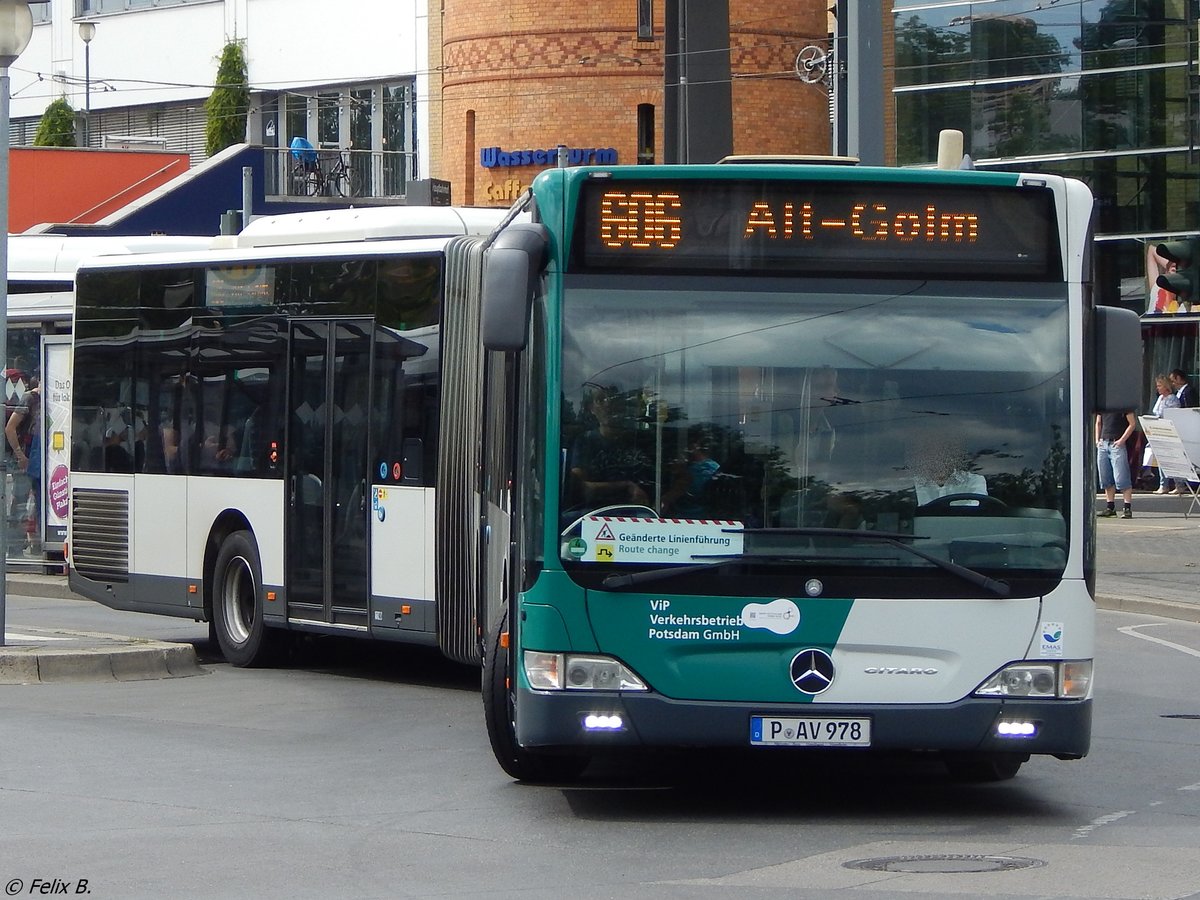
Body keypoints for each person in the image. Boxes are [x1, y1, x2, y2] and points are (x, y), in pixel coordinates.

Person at [569, 386, 654, 507]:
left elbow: (679, 477)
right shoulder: (585, 442)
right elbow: (579, 487)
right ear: (591, 408)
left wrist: (666, 500)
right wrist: (625, 487)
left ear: (622, 406)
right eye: (600, 400)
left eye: (614, 399)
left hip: (648, 516)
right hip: (596, 516)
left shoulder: (643, 439)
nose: (608, 404)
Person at [5, 382, 41, 552]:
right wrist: (20, 455)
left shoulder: (47, 399)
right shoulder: (30, 398)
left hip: (39, 460)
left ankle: (36, 544)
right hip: (26, 458)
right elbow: (10, 428)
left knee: (36, 504)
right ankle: (14, 547)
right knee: (20, 502)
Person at [1097, 409, 1136, 518]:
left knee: (1121, 475)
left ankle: (1127, 507)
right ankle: (1110, 506)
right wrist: (1098, 440)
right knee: (1105, 477)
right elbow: (1098, 422)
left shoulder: (1124, 405)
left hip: (1116, 443)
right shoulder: (1104, 405)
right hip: (1103, 442)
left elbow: (1132, 424)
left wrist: (1122, 440)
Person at [1146, 374, 1182, 494]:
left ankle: (1179, 484)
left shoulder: (1172, 399)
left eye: (1160, 385)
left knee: (1172, 458)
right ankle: (1163, 484)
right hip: (1159, 431)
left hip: (1169, 432)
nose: (1158, 388)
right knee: (1161, 459)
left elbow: (1173, 415)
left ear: (1166, 386)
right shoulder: (1160, 398)